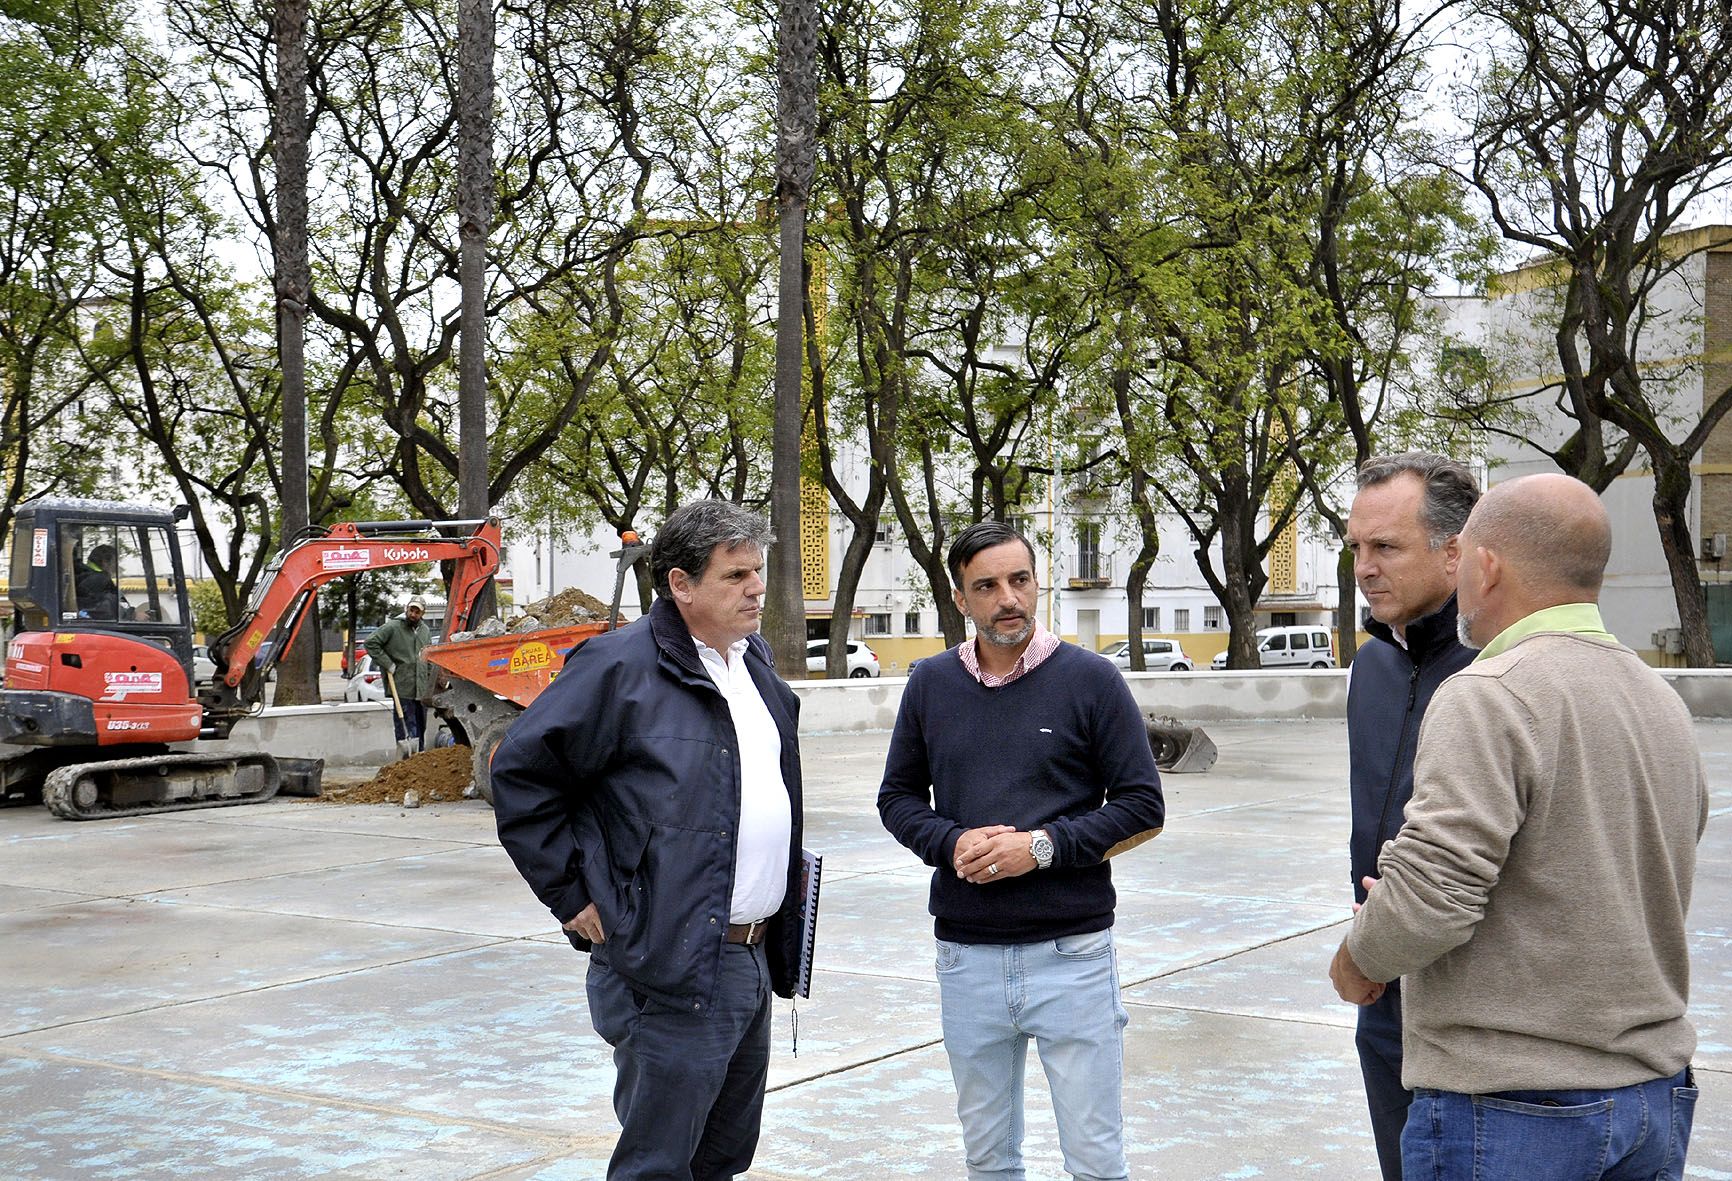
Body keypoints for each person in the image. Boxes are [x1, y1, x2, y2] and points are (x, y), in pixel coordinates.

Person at [1330, 473, 1707, 1180]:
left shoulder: (1488, 692)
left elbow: (1433, 888)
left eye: (1386, 544)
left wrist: (1358, 957)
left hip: (1511, 1103)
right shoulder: (1662, 703)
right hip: (1651, 1094)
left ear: (1483, 564)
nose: (1366, 566)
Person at [490, 500, 804, 1181]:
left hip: (748, 956)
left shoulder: (754, 664)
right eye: (735, 575)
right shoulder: (619, 665)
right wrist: (570, 893)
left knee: (721, 1154)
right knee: (658, 1163)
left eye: (758, 571)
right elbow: (521, 773)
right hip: (665, 960)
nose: (756, 587)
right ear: (680, 584)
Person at [878, 520, 1165, 1181]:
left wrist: (1041, 847)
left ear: (1037, 582)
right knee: (988, 1161)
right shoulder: (929, 683)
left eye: (1020, 579)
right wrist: (949, 842)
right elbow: (895, 797)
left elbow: (1142, 805)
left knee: (1095, 1162)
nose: (1008, 597)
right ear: (960, 599)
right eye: (987, 585)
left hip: (1073, 956)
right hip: (965, 958)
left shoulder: (1091, 680)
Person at [1339, 451, 1479, 1178]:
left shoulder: (1499, 671)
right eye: (1357, 546)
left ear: (1454, 551)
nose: (1365, 566)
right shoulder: (1371, 666)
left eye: (1386, 547)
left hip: (1474, 1001)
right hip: (1385, 988)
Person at [365, 595, 432, 750]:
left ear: (423, 614)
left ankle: (419, 757)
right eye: (411, 610)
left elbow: (428, 657)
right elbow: (371, 643)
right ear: (406, 609)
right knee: (406, 727)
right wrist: (388, 664)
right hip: (402, 687)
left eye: (417, 612)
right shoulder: (393, 627)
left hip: (420, 690)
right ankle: (407, 760)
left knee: (421, 728)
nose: (413, 614)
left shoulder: (425, 630)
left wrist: (429, 683)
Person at [75, 544, 124, 620]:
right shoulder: (100, 579)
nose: (116, 566)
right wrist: (131, 614)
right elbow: (106, 607)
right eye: (115, 562)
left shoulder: (85, 575)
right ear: (105, 562)